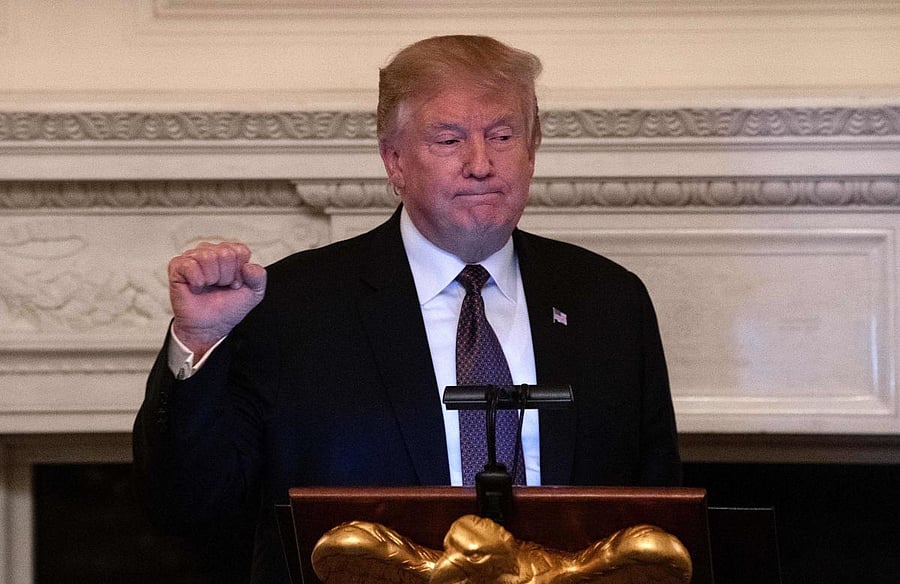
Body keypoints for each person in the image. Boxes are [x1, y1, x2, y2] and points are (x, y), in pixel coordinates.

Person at [132, 35, 681, 584]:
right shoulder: (296, 307)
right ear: (393, 160)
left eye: (503, 135)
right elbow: (188, 506)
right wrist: (199, 344)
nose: (480, 163)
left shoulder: (610, 302)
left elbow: (659, 532)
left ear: (533, 150)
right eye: (449, 140)